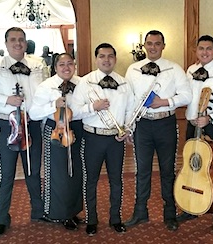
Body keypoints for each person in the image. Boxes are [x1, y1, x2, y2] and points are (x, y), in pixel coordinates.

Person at [0, 27, 49, 236]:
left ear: (26, 42)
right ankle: (2, 218)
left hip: (33, 125)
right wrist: (6, 100)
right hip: (7, 125)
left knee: (34, 171)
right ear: (6, 43)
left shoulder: (38, 65)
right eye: (13, 40)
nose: (18, 43)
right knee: (6, 174)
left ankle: (38, 211)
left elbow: (46, 91)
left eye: (21, 40)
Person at [124, 30, 192, 231]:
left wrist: (166, 101)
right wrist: (129, 126)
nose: (153, 47)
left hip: (166, 124)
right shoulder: (133, 69)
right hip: (142, 125)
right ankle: (140, 212)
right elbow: (129, 100)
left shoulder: (174, 68)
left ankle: (169, 212)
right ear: (144, 46)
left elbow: (186, 95)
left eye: (157, 43)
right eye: (149, 43)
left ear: (163, 45)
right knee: (142, 171)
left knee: (167, 170)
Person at [71, 43, 134, 236]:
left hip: (116, 140)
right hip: (93, 138)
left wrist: (128, 129)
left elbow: (130, 111)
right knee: (91, 180)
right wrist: (93, 107)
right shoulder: (85, 82)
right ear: (96, 59)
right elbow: (73, 112)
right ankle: (91, 219)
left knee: (117, 181)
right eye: (102, 56)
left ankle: (116, 218)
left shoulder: (124, 82)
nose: (106, 60)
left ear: (115, 59)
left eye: (110, 56)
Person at [176, 35, 213, 235]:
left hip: (211, 126)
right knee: (192, 166)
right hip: (191, 126)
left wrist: (211, 118)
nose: (205, 52)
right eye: (201, 48)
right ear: (196, 50)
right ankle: (191, 206)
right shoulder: (190, 71)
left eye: (209, 48)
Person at [29, 53, 84, 231]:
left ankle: (74, 210)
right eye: (62, 64)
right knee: (58, 174)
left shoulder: (82, 83)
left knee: (75, 172)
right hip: (56, 130)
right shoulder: (46, 86)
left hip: (77, 128)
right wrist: (54, 105)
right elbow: (34, 113)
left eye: (70, 63)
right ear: (55, 67)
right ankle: (59, 213)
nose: (66, 67)